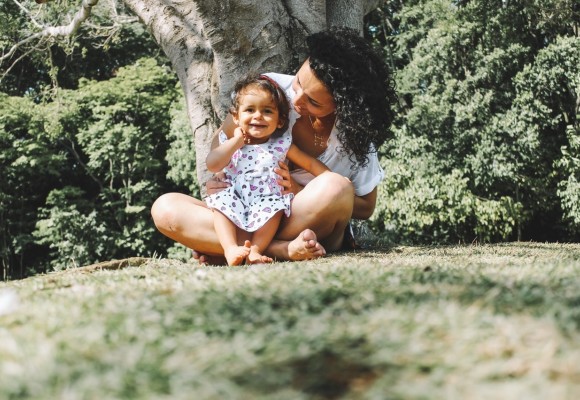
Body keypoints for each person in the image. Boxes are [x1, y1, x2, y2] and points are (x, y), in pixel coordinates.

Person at [151, 26, 397, 264]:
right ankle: (278, 249)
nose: (296, 100)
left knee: (335, 186)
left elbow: (365, 207)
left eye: (313, 102)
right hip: (246, 210)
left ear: (343, 106)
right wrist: (222, 174)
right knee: (166, 208)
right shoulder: (269, 92)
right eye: (299, 83)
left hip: (305, 219)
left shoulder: (357, 134)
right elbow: (221, 139)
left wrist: (298, 192)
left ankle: (228, 247)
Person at [205, 74, 329, 265]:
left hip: (266, 199)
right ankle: (230, 248)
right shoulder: (230, 143)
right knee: (220, 204)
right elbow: (212, 164)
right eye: (249, 110)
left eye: (267, 111)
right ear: (236, 117)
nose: (258, 116)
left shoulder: (281, 145)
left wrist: (329, 178)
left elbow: (311, 164)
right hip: (234, 197)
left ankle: (255, 250)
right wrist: (236, 141)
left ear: (280, 121)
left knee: (276, 207)